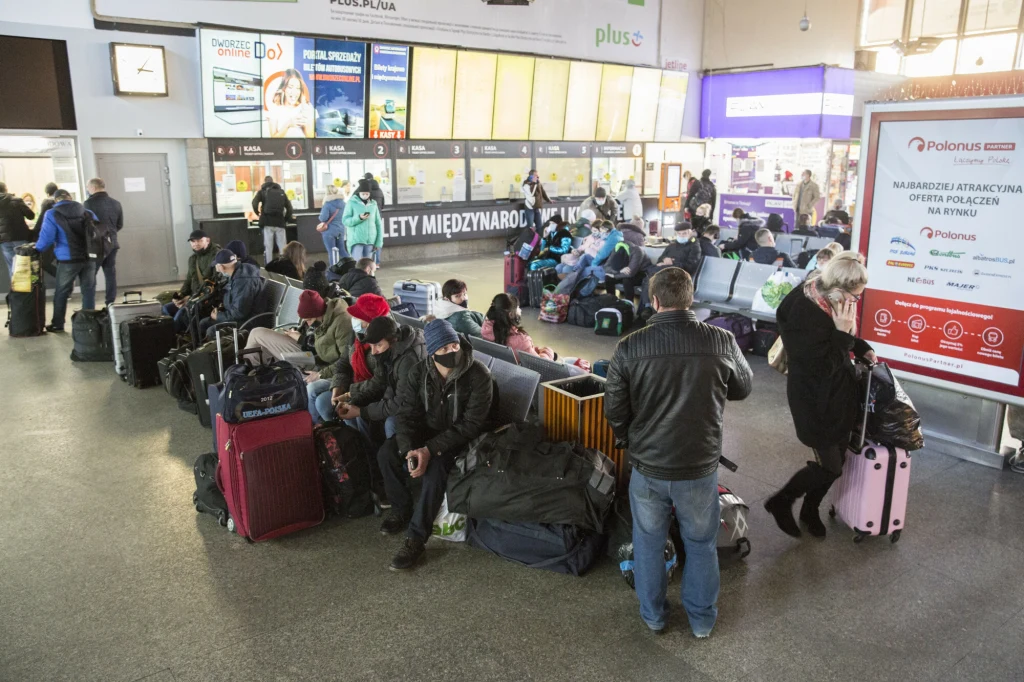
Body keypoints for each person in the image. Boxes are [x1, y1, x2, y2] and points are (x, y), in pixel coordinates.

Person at [605, 267, 752, 637]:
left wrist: (629, 441)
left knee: (648, 543)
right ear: (690, 297)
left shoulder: (631, 346)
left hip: (649, 466)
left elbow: (615, 409)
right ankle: (702, 621)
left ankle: (654, 616)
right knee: (701, 545)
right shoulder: (721, 340)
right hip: (699, 467)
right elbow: (743, 387)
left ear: (654, 301)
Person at [764, 253, 876, 538]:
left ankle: (809, 509)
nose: (855, 302)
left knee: (835, 461)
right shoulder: (805, 311)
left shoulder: (821, 292)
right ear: (839, 287)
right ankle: (781, 501)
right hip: (815, 399)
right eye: (855, 296)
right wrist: (843, 334)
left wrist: (858, 345)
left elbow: (834, 342)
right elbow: (820, 367)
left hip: (838, 395)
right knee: (831, 465)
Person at [378, 319, 495, 570]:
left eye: (454, 346)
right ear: (432, 354)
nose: (451, 352)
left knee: (435, 471)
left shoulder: (478, 375)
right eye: (443, 350)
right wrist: (409, 449)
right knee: (387, 453)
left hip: (461, 439)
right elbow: (406, 414)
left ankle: (416, 539)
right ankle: (401, 509)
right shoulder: (419, 373)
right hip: (429, 433)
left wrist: (429, 450)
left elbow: (471, 425)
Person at [333, 315, 426, 444]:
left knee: (390, 424)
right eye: (371, 346)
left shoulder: (408, 360)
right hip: (394, 395)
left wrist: (361, 412)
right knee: (357, 404)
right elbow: (378, 381)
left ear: (393, 340)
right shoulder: (386, 352)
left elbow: (401, 403)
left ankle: (396, 457)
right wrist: (350, 396)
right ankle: (366, 454)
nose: (374, 352)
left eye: (378, 345)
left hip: (418, 407)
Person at [313, 293, 392, 424]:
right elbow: (343, 363)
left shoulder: (383, 345)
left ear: (369, 323)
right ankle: (339, 435)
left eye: (357, 317)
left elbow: (379, 382)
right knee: (322, 401)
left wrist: (350, 395)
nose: (352, 319)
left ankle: (359, 441)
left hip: (372, 393)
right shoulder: (356, 335)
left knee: (353, 412)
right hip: (353, 384)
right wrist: (338, 387)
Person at [247, 289, 352, 376]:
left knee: (257, 334)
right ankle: (253, 375)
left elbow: (345, 359)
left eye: (309, 320)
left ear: (317, 313)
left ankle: (252, 375)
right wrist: (296, 333)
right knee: (259, 345)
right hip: (308, 352)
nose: (309, 324)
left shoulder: (342, 322)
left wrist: (301, 339)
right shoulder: (322, 314)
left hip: (314, 359)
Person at [34, 189, 98, 332]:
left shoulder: (52, 214)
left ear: (56, 200)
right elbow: (97, 232)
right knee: (88, 290)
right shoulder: (87, 212)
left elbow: (46, 239)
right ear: (70, 197)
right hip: (89, 257)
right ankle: (89, 322)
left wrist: (37, 249)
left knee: (62, 292)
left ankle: (58, 324)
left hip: (68, 259)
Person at [161, 230, 220, 334]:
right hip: (193, 298)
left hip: (206, 301)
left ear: (208, 240)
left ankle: (177, 340)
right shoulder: (193, 259)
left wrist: (190, 298)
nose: (196, 244)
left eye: (199, 241)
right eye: (193, 241)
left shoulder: (217, 256)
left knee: (179, 316)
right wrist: (181, 295)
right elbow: (189, 280)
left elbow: (215, 284)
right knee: (166, 308)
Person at [199, 249, 264, 339]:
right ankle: (200, 350)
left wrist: (219, 316)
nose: (217, 269)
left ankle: (211, 352)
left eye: (216, 266)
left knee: (212, 330)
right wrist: (221, 308)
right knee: (204, 323)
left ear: (221, 267)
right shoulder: (237, 274)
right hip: (242, 317)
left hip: (249, 321)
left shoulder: (242, 280)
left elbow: (240, 312)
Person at [83, 178, 123, 306]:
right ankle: (110, 303)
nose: (87, 190)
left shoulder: (88, 204)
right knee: (110, 273)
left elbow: (86, 225)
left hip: (96, 246)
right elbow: (119, 224)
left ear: (93, 188)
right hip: (113, 244)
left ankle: (89, 305)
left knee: (90, 274)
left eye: (88, 188)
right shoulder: (116, 203)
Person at [483, 293, 555, 360]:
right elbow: (540, 364)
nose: (520, 310)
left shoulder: (486, 331)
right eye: (517, 307)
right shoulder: (521, 340)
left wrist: (534, 349)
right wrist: (548, 352)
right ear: (510, 314)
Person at [252, 176, 294, 265]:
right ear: (273, 182)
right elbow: (290, 208)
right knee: (282, 246)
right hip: (280, 223)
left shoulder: (262, 192)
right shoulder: (281, 192)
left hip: (267, 222)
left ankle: (269, 266)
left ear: (264, 182)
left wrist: (258, 213)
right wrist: (285, 219)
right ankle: (284, 265)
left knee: (268, 247)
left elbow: (254, 203)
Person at [0, 182, 35, 282]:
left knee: (12, 267)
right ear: (6, 189)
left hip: (4, 240)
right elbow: (31, 216)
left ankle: (17, 294)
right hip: (20, 237)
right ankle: (27, 295)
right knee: (24, 266)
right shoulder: (16, 200)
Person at [267, 68, 314, 138]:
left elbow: (311, 137)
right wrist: (288, 124)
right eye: (290, 87)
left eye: (298, 88)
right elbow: (273, 139)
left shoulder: (307, 107)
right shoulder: (275, 108)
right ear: (284, 88)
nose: (294, 92)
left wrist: (304, 108)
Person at [344, 179, 383, 261]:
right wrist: (359, 218)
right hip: (356, 240)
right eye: (363, 193)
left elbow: (378, 223)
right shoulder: (351, 203)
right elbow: (345, 220)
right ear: (359, 193)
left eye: (367, 193)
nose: (365, 195)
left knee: (367, 266)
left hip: (370, 240)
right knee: (357, 265)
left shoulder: (373, 204)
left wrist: (378, 242)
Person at [318, 184, 348, 265]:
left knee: (332, 251)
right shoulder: (344, 204)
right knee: (342, 250)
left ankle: (333, 270)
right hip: (340, 230)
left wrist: (320, 216)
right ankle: (351, 264)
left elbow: (323, 218)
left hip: (330, 231)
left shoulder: (327, 204)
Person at [521, 169, 550, 233]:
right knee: (530, 227)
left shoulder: (537, 182)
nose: (537, 177)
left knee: (539, 226)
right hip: (530, 207)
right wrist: (534, 183)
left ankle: (539, 240)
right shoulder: (526, 184)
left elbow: (542, 191)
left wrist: (548, 200)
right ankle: (530, 241)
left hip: (536, 207)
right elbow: (531, 194)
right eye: (536, 175)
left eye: (537, 175)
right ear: (531, 176)